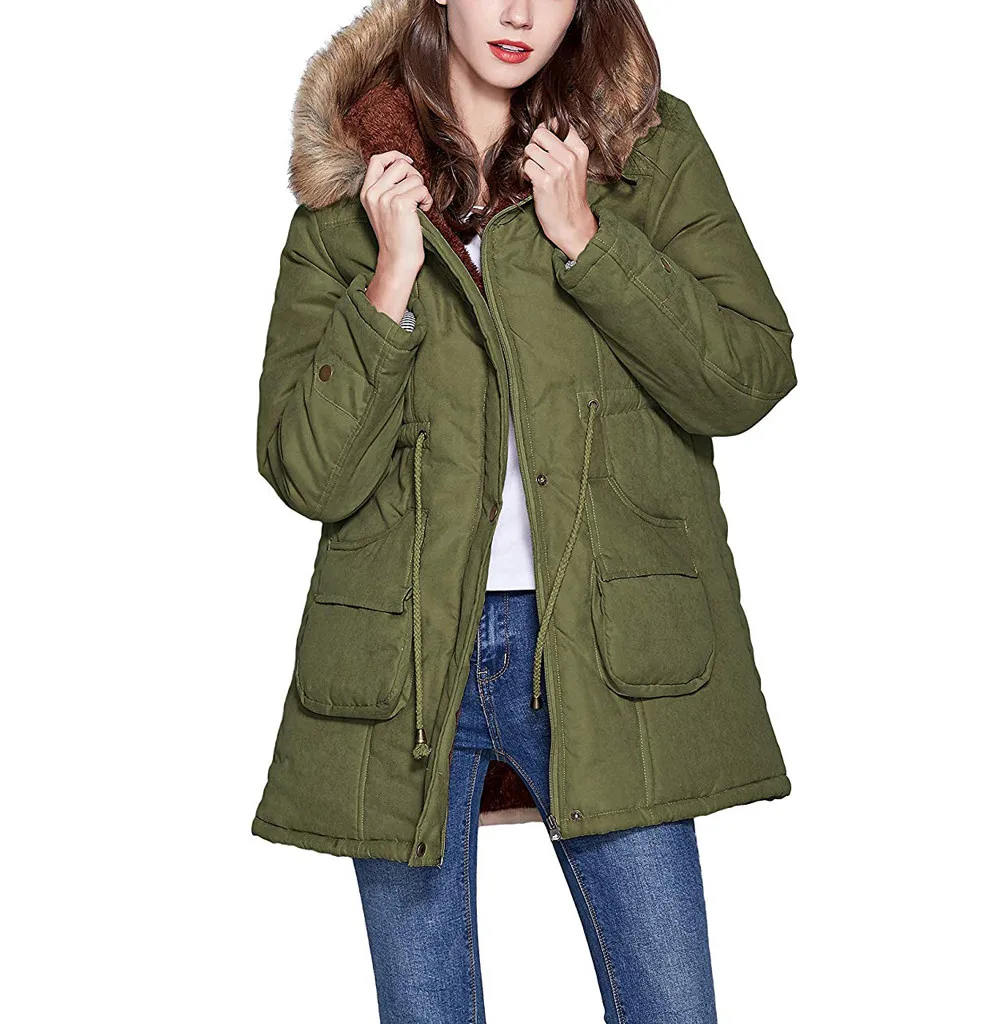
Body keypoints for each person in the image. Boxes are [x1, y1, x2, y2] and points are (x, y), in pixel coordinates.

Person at [252, 1, 798, 1020]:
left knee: (670, 1005)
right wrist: (389, 280)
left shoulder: (642, 147)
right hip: (407, 656)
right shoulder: (350, 188)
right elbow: (306, 472)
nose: (518, 13)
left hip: (603, 643)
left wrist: (589, 239)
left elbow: (747, 376)